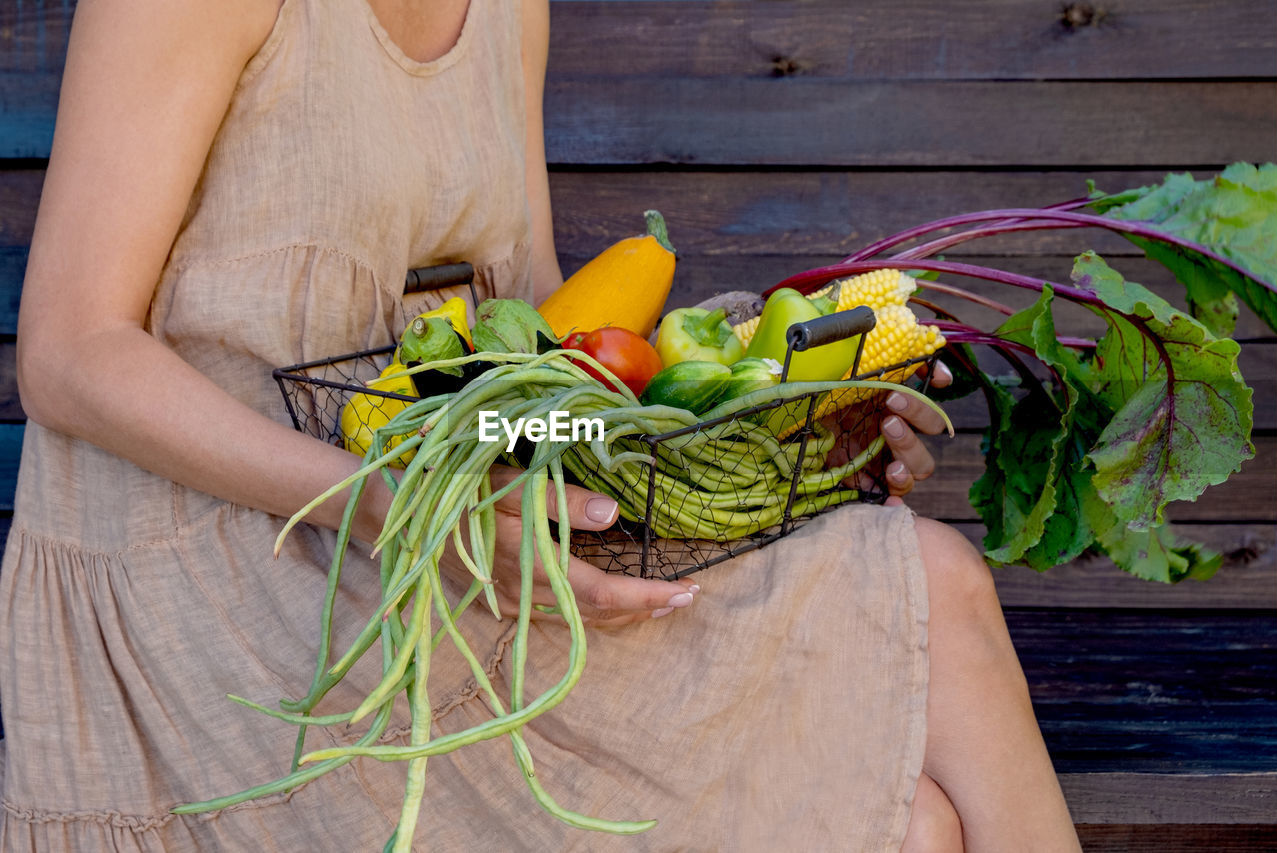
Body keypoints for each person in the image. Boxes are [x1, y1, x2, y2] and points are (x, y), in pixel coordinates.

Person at [0, 0, 1081, 849]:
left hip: (449, 520)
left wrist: (773, 431)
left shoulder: (510, 5)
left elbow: (540, 339)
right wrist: (396, 512)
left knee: (934, 593)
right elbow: (67, 351)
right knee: (904, 826)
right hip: (232, 577)